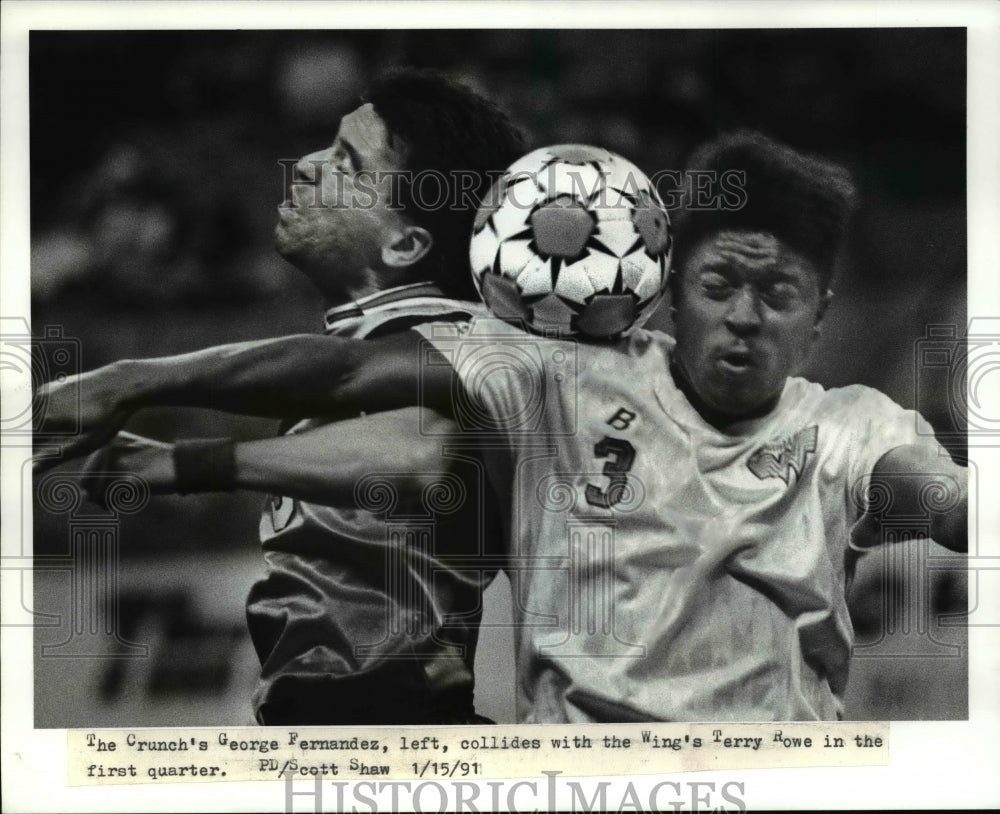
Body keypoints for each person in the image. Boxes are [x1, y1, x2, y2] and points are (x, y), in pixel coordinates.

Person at [38, 131, 967, 722]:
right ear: (667, 294)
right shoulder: (561, 378)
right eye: (720, 284)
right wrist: (137, 379)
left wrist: (953, 509)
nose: (746, 315)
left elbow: (938, 498)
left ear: (820, 315)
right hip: (569, 778)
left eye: (780, 293)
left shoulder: (852, 426)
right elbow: (357, 363)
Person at [38, 67, 526, 726]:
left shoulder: (456, 344)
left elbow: (417, 450)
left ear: (406, 242)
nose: (304, 166)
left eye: (348, 163)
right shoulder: (382, 351)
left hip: (389, 730)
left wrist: (182, 458)